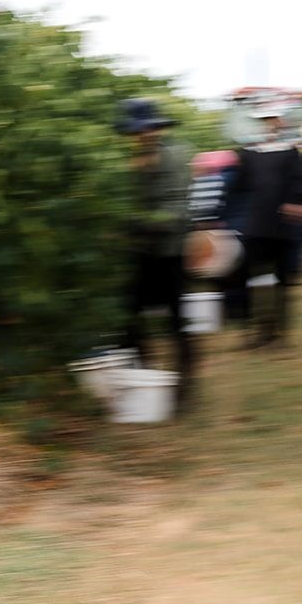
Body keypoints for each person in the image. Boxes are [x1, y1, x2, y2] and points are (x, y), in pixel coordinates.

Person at [115, 98, 194, 412]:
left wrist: (142, 223)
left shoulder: (174, 156)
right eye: (136, 131)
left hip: (168, 250)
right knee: (129, 320)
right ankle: (141, 381)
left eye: (146, 129)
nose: (142, 135)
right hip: (137, 251)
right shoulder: (126, 160)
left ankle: (184, 386)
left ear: (156, 128)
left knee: (175, 320)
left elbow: (178, 207)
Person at [223, 106, 302, 349]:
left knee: (282, 282)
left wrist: (301, 204)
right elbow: (237, 187)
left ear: (281, 121)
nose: (270, 123)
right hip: (255, 226)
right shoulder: (248, 153)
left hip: (285, 227)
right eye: (264, 119)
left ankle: (279, 335)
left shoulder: (292, 151)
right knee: (250, 280)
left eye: (273, 118)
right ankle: (255, 333)